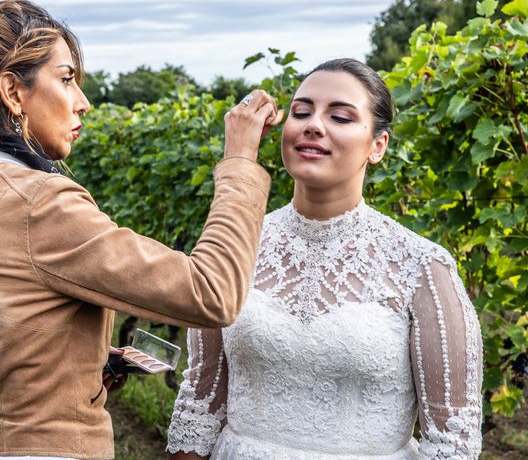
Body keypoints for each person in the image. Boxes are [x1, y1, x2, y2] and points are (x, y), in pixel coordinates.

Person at [0, 0, 283, 460]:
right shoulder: (40, 202)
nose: (83, 102)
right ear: (13, 92)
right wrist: (238, 162)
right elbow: (210, 292)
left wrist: (63, 374)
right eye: (67, 79)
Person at [166, 58, 483, 460]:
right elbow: (199, 404)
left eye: (340, 117)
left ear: (378, 146)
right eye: (301, 112)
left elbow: (452, 442)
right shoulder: (235, 246)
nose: (313, 125)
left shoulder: (423, 266)